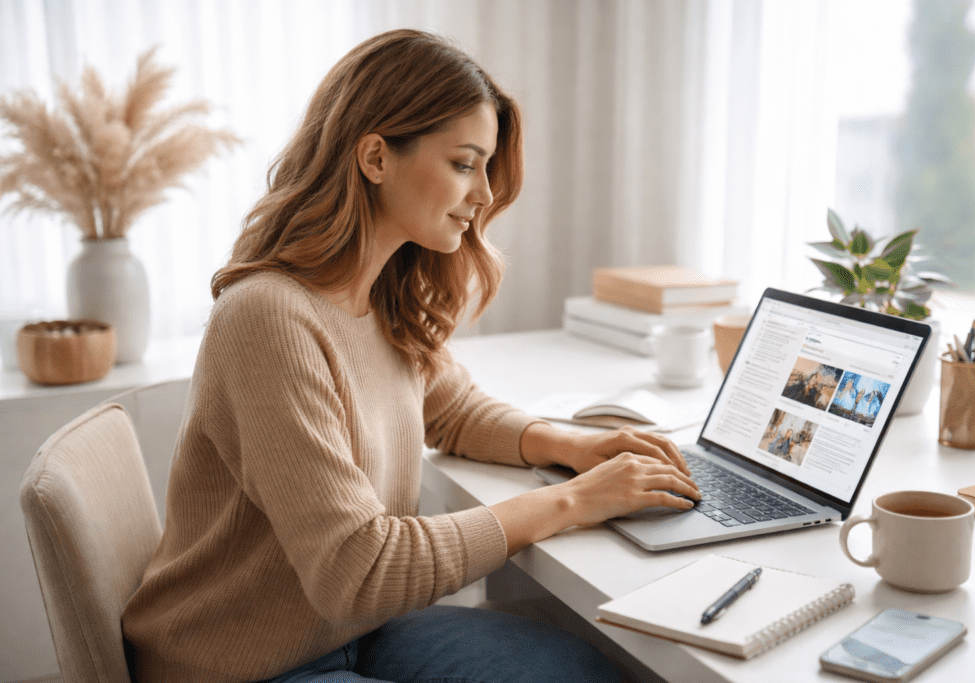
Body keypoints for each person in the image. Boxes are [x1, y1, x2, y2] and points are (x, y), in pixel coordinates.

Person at [121, 29, 699, 683]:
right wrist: (572, 502)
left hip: (346, 632)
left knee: (587, 670)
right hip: (240, 663)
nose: (484, 193)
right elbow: (358, 569)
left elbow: (451, 408)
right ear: (375, 157)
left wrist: (569, 444)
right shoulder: (267, 318)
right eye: (463, 163)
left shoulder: (380, 294)